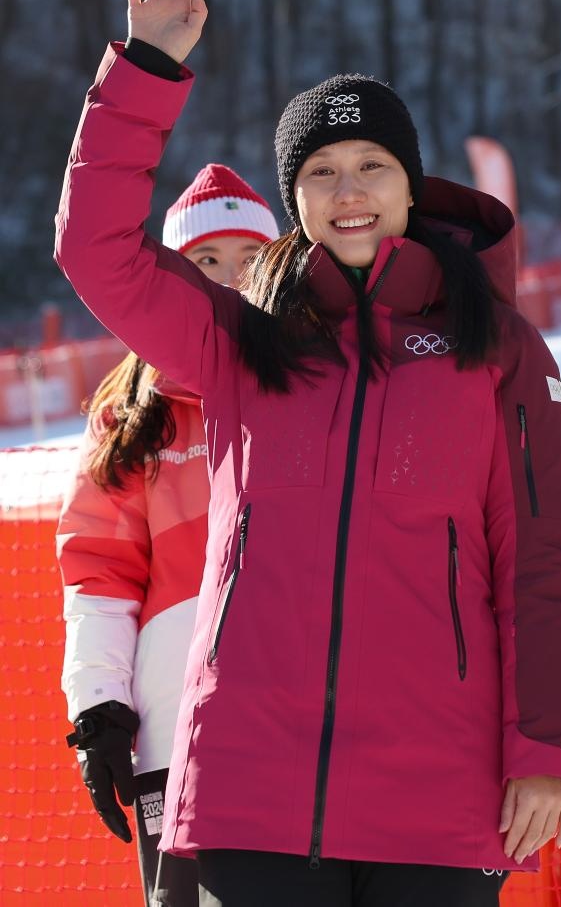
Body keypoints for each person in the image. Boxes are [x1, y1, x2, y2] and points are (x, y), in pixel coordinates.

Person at [55, 0, 561, 907]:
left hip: (436, 788)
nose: (349, 192)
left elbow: (539, 561)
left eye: (371, 167)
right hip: (250, 786)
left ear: (409, 186)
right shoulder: (241, 340)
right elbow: (96, 251)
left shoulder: (496, 349)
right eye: (320, 172)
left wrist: (545, 752)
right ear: (293, 203)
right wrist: (145, 71)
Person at [57, 163, 279, 907]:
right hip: (178, 736)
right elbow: (98, 573)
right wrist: (99, 708)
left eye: (248, 259)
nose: (227, 279)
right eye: (204, 262)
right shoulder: (132, 417)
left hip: (305, 730)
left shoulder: (317, 384)